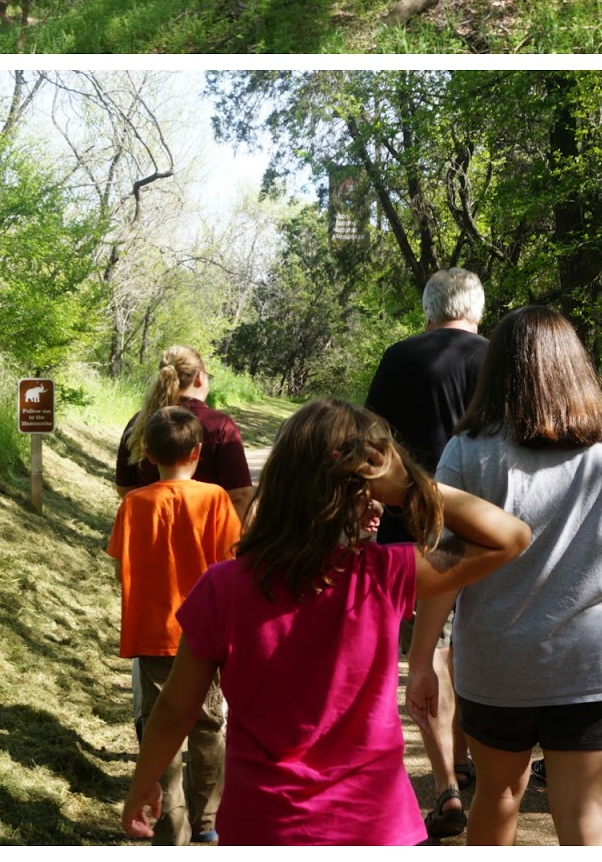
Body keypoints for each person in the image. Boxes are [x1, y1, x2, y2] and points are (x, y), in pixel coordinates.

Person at [119, 400, 530, 847]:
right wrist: (409, 486)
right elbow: (511, 537)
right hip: (375, 827)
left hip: (263, 827)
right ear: (330, 493)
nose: (378, 508)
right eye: (365, 493)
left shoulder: (225, 587)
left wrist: (145, 780)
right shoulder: (382, 574)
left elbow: (175, 709)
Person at [408, 305, 602, 847]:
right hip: (591, 660)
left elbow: (445, 565)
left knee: (498, 795)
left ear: (498, 368)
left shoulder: (468, 450)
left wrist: (421, 662)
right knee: (586, 812)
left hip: (497, 663)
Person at [364, 267, 489, 836]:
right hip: (487, 520)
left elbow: (371, 441)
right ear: (478, 309)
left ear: (428, 309)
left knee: (428, 648)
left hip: (408, 519)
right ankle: (474, 762)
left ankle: (445, 784)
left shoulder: (399, 358)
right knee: (472, 640)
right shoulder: (499, 359)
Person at [108, 407, 240, 846]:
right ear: (199, 452)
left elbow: (119, 569)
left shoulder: (134, 504)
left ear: (147, 454)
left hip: (153, 633)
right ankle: (208, 825)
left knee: (160, 730)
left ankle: (170, 829)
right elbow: (231, 563)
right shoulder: (216, 499)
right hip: (206, 633)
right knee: (207, 727)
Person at [117, 346, 254, 525]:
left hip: (152, 540)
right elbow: (240, 496)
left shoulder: (140, 422)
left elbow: (125, 488)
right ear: (199, 378)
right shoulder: (220, 425)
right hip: (207, 541)